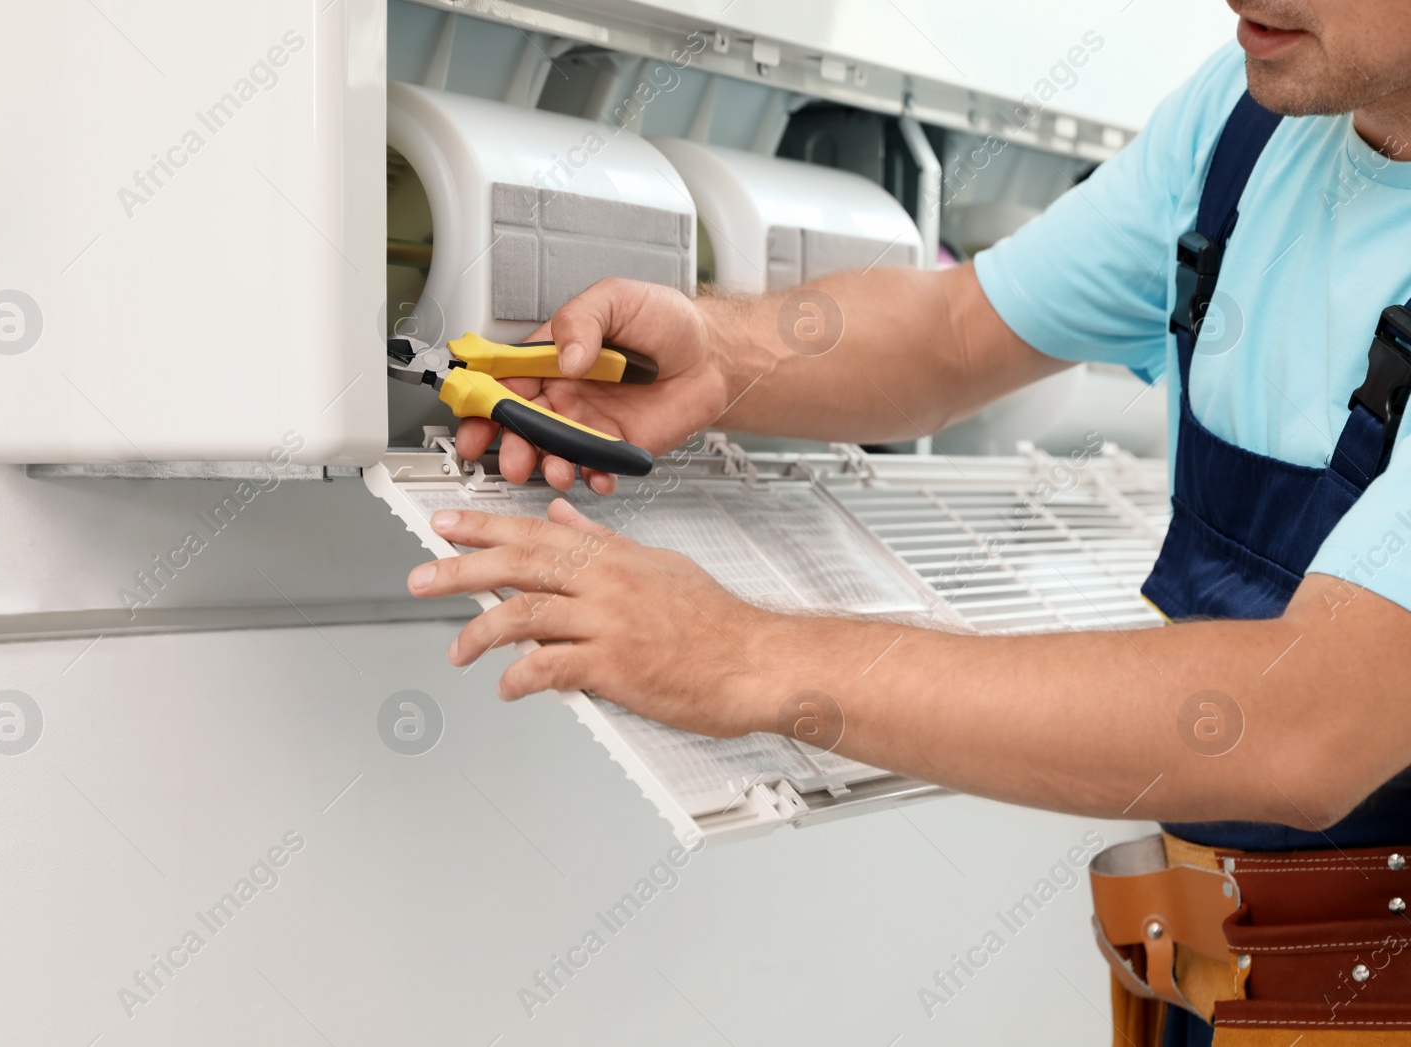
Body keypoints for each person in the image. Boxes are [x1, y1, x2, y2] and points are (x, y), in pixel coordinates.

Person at [406, 1, 1411, 1041]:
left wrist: (746, 656)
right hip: (1227, 1000)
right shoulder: (1245, 116)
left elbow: (1311, 721)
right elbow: (961, 330)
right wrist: (719, 355)